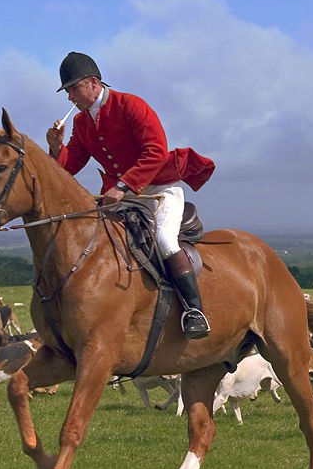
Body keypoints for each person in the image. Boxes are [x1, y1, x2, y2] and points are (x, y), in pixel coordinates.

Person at [45, 52, 216, 339]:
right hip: (120, 196)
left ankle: (193, 310)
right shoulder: (82, 123)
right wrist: (56, 147)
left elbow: (156, 152)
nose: (70, 97)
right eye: (68, 91)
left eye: (73, 89)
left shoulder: (131, 105)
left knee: (163, 240)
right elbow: (70, 165)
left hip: (159, 189)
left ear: (93, 83)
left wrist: (122, 186)